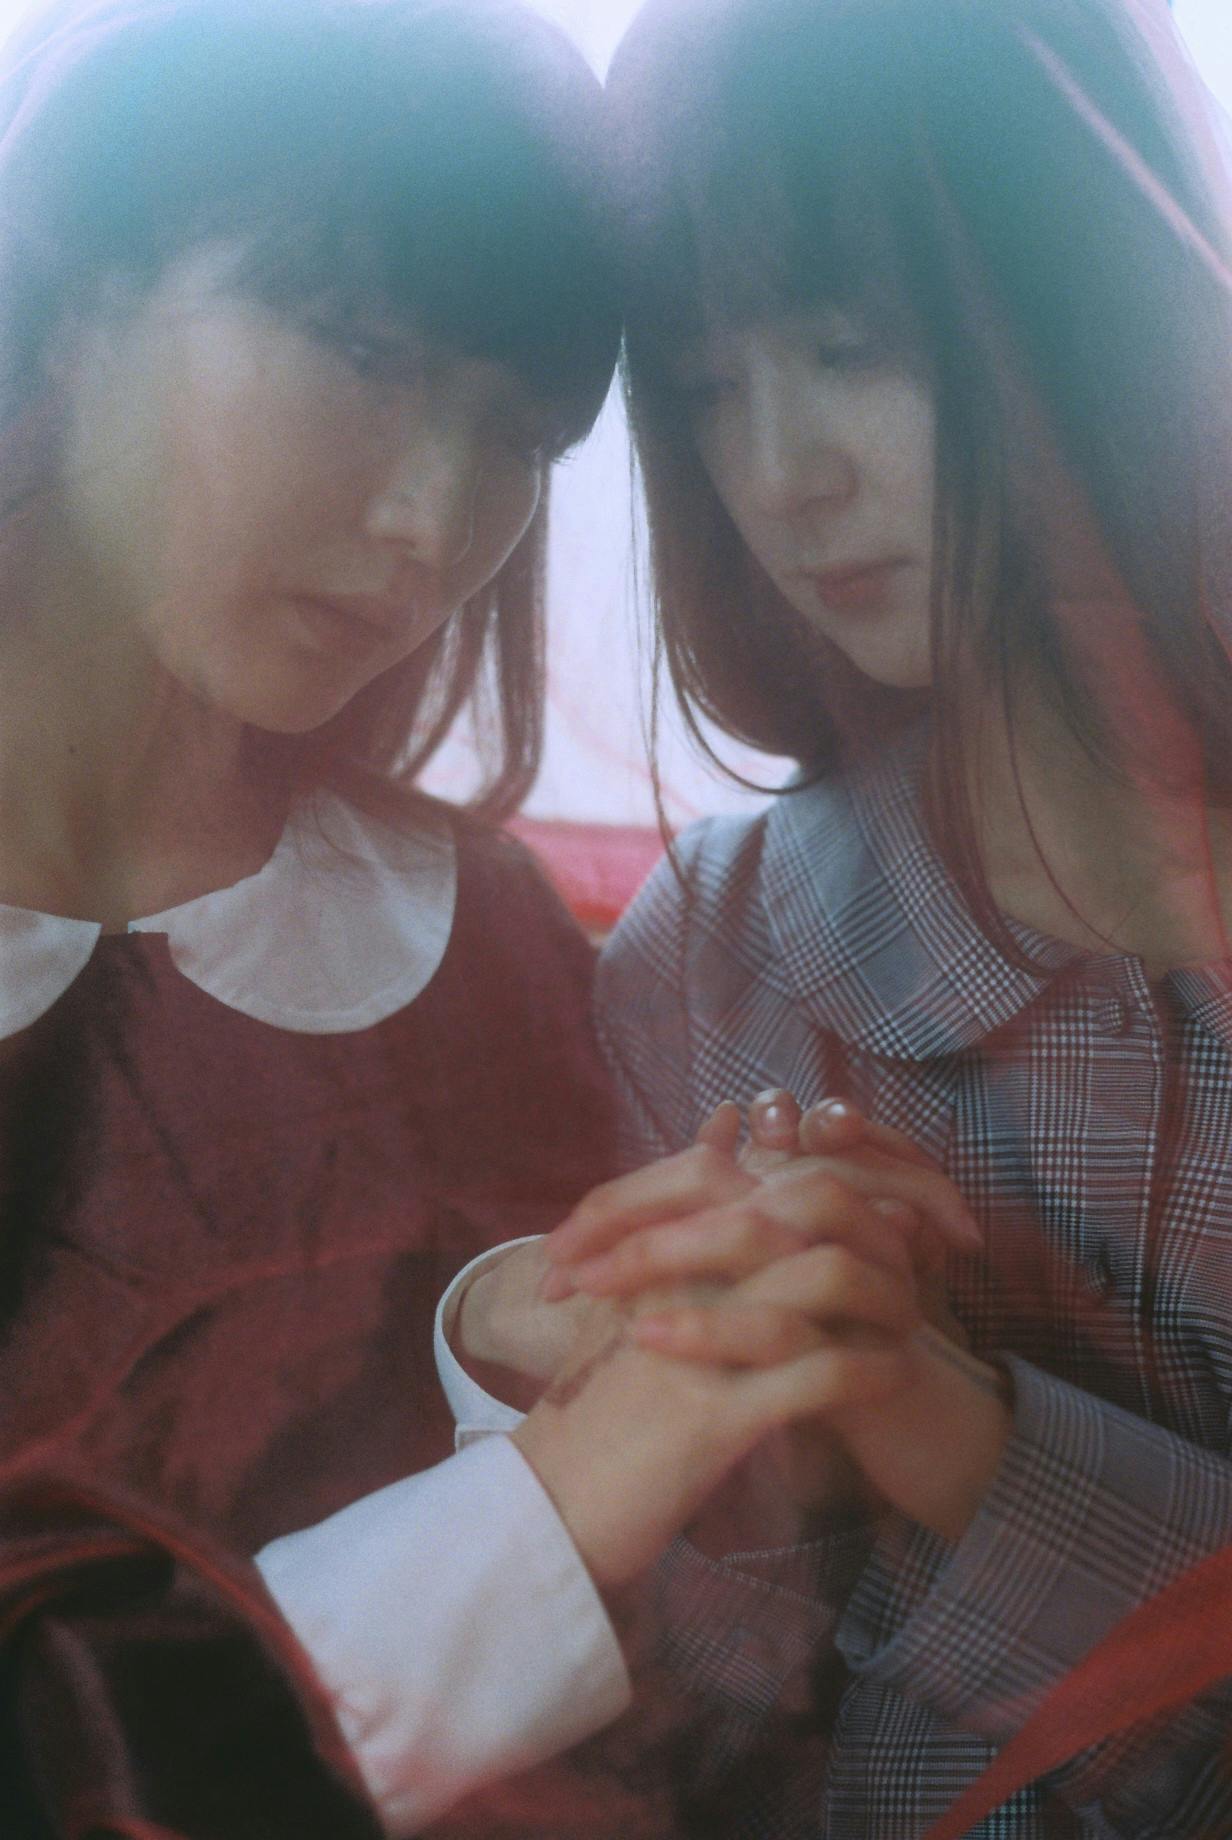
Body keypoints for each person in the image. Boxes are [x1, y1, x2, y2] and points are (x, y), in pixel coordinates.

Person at [455, 0, 1232, 1833]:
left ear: (1088, 305)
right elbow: (716, 1720)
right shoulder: (719, 945)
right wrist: (705, 1397)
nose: (782, 476)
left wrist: (957, 1431)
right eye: (710, 388)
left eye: (849, 349)